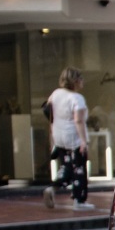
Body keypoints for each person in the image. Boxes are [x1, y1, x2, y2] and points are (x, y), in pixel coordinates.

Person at [43, 66, 94, 210]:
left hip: (59, 137)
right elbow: (79, 120)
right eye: (81, 79)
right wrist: (83, 141)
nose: (83, 82)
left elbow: (48, 111)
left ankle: (52, 188)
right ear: (76, 81)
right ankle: (79, 200)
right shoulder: (77, 98)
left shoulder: (56, 94)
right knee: (79, 168)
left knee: (67, 167)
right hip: (74, 137)